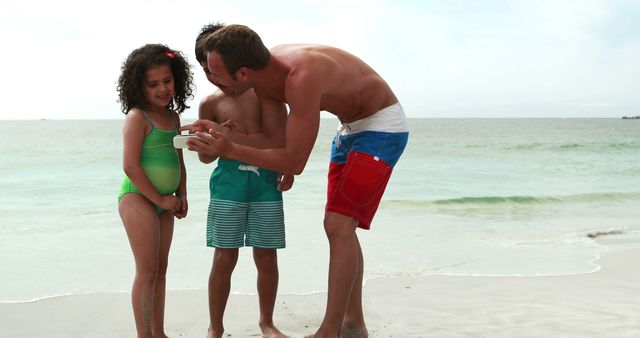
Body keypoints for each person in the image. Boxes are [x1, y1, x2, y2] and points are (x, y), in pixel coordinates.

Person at [183, 24, 409, 338]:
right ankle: (353, 324)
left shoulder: (301, 76)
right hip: (350, 129)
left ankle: (330, 331)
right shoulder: (266, 76)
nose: (213, 80)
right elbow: (280, 144)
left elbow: (295, 161)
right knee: (343, 226)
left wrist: (231, 148)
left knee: (338, 225)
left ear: (244, 73)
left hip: (382, 125)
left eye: (218, 74)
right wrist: (233, 138)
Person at [193, 24, 293, 338]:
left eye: (218, 71)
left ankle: (267, 322)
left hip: (265, 183)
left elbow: (278, 142)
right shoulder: (210, 103)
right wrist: (208, 139)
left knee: (266, 254)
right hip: (228, 184)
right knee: (224, 255)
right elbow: (207, 158)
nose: (214, 78)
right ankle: (216, 327)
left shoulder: (265, 92)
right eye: (207, 72)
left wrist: (231, 137)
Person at [116, 43, 194, 338]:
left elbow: (178, 159)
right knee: (147, 271)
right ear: (139, 87)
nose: (162, 89)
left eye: (167, 81)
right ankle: (144, 334)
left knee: (161, 271)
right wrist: (159, 198)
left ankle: (158, 333)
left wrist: (182, 194)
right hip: (138, 198)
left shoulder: (173, 118)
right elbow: (131, 166)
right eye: (153, 84)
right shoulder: (138, 117)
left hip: (166, 201)